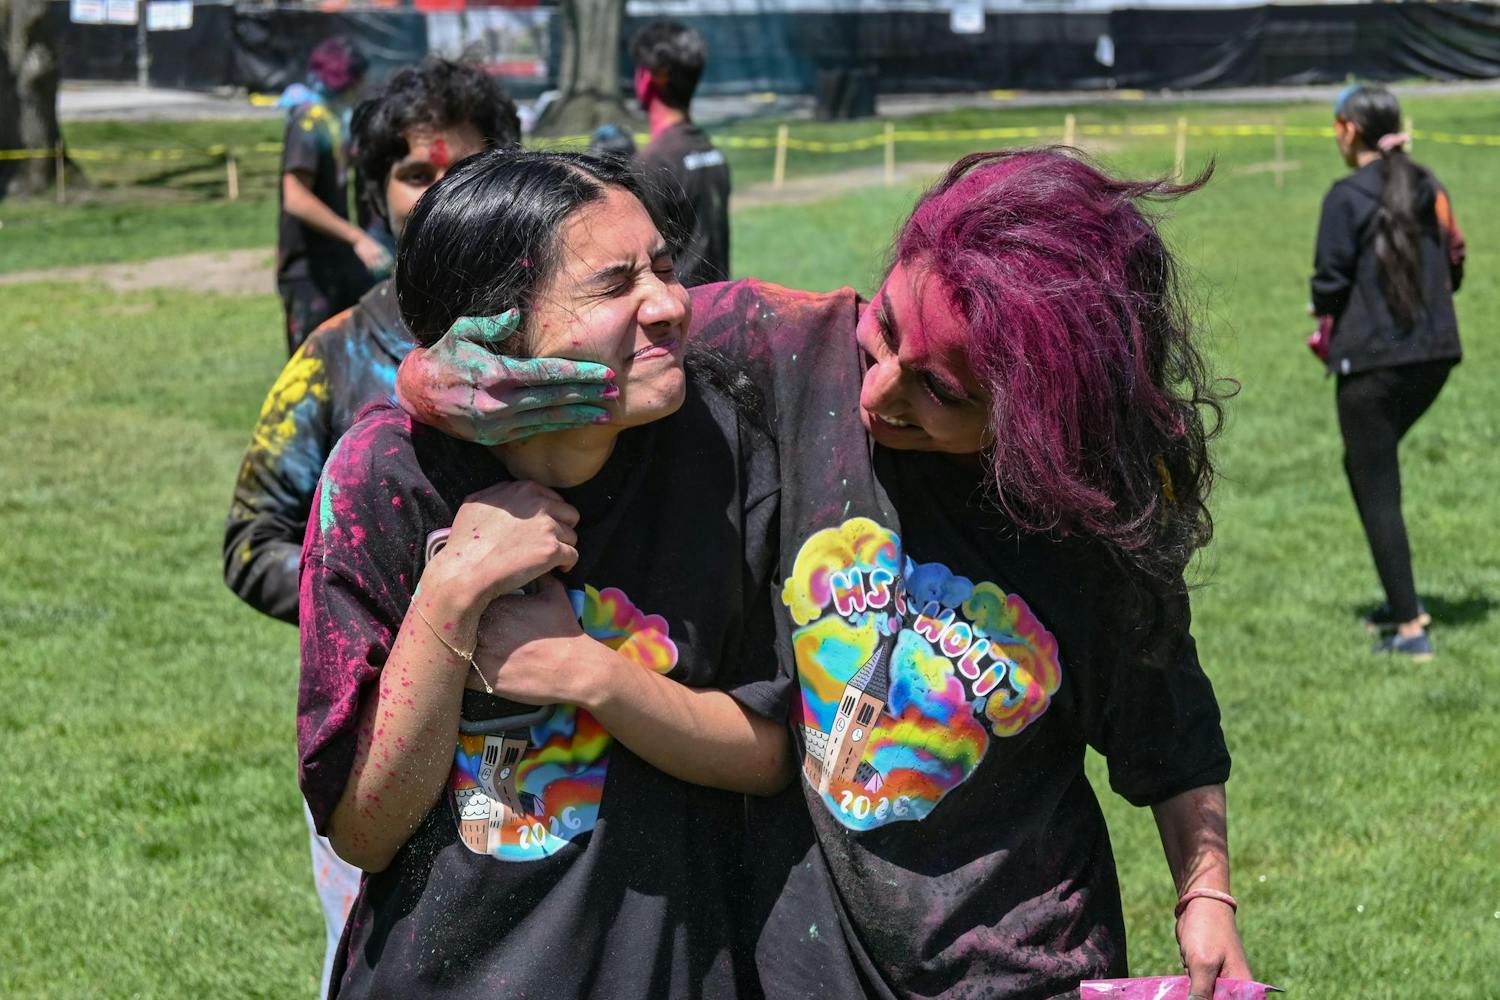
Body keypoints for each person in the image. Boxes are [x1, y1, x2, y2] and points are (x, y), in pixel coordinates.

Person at [394, 149, 1252, 999]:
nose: (879, 393)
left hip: (1018, 967)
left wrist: (1205, 897)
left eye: (941, 392)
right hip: (805, 970)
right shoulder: (785, 349)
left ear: (1041, 419)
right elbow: (577, 349)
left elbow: (1169, 734)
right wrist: (426, 379)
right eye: (887, 330)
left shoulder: (1087, 522)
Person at [298, 150, 792, 997]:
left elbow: (770, 753)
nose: (670, 305)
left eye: (665, 267)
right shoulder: (386, 476)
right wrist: (452, 593)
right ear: (495, 328)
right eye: (614, 285)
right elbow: (363, 832)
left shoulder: (716, 444)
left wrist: (586, 672)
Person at [223, 58, 560, 997]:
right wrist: (402, 607)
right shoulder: (334, 354)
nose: (441, 192)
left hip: (552, 737)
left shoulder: (561, 340)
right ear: (376, 196)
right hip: (379, 733)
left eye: (468, 167)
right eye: (416, 174)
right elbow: (250, 540)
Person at [1312, 84, 1465, 660]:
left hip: (1373, 363)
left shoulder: (1345, 196)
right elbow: (1455, 260)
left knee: (1375, 481)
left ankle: (1410, 629)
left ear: (1349, 129)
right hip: (1436, 355)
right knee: (1368, 467)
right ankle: (1400, 597)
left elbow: (1328, 284)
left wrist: (1326, 315)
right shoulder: (1429, 184)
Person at [277, 36, 387, 355]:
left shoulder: (331, 121)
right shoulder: (308, 121)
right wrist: (358, 238)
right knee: (313, 367)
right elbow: (295, 198)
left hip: (338, 263)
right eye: (362, 80)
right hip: (309, 273)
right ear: (349, 80)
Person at [631, 21, 731, 287]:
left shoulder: (651, 164)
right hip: (718, 301)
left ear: (649, 77)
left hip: (680, 307)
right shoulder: (711, 152)